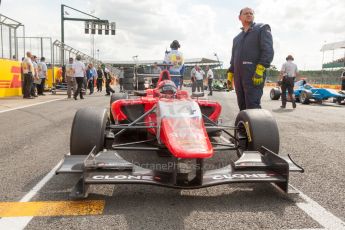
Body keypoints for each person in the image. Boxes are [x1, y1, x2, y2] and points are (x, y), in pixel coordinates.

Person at [228, 7, 274, 110]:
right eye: (246, 13)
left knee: (252, 106)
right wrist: (230, 73)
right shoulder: (236, 38)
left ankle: (256, 126)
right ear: (239, 17)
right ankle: (243, 126)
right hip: (239, 76)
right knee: (242, 106)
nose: (249, 15)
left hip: (253, 74)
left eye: (251, 13)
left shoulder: (262, 28)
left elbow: (268, 50)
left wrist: (260, 68)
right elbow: (233, 58)